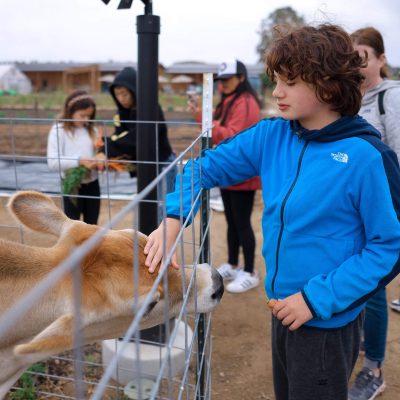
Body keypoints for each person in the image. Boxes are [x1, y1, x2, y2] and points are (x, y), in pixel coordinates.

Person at [143, 24, 400, 400]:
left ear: (329, 83)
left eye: (290, 81)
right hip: (280, 306)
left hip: (326, 319)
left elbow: (388, 247)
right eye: (276, 80)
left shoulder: (367, 158)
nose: (277, 92)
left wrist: (315, 300)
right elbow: (199, 168)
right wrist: (172, 220)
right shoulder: (272, 135)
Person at [348, 26, 400, 400]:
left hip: (383, 208)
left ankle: (374, 368)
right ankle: (365, 342)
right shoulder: (348, 97)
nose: (359, 61)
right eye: (352, 55)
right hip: (353, 208)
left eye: (364, 54)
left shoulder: (391, 98)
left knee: (374, 288)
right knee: (358, 284)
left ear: (381, 58)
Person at [189, 59, 262, 293]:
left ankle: (250, 271)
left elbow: (233, 136)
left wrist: (205, 122)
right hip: (229, 172)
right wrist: (204, 118)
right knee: (232, 221)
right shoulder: (231, 100)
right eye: (221, 81)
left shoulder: (246, 102)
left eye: (228, 79)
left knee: (242, 223)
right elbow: (223, 130)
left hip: (243, 173)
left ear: (241, 78)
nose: (223, 85)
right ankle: (233, 264)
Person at [96, 66, 176, 194]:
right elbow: (120, 136)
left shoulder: (150, 107)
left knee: (163, 207)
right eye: (117, 95)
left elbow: (136, 138)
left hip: (161, 163)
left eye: (125, 94)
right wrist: (103, 146)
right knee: (148, 205)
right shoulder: (123, 112)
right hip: (144, 165)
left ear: (135, 91)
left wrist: (107, 150)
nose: (121, 99)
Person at [47, 90, 100, 224]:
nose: (86, 120)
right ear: (70, 111)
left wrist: (98, 161)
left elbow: (97, 154)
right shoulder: (58, 131)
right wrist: (79, 160)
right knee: (73, 227)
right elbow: (53, 162)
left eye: (89, 116)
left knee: (92, 226)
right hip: (71, 186)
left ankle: (91, 246)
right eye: (82, 115)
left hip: (92, 184)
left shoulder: (92, 130)